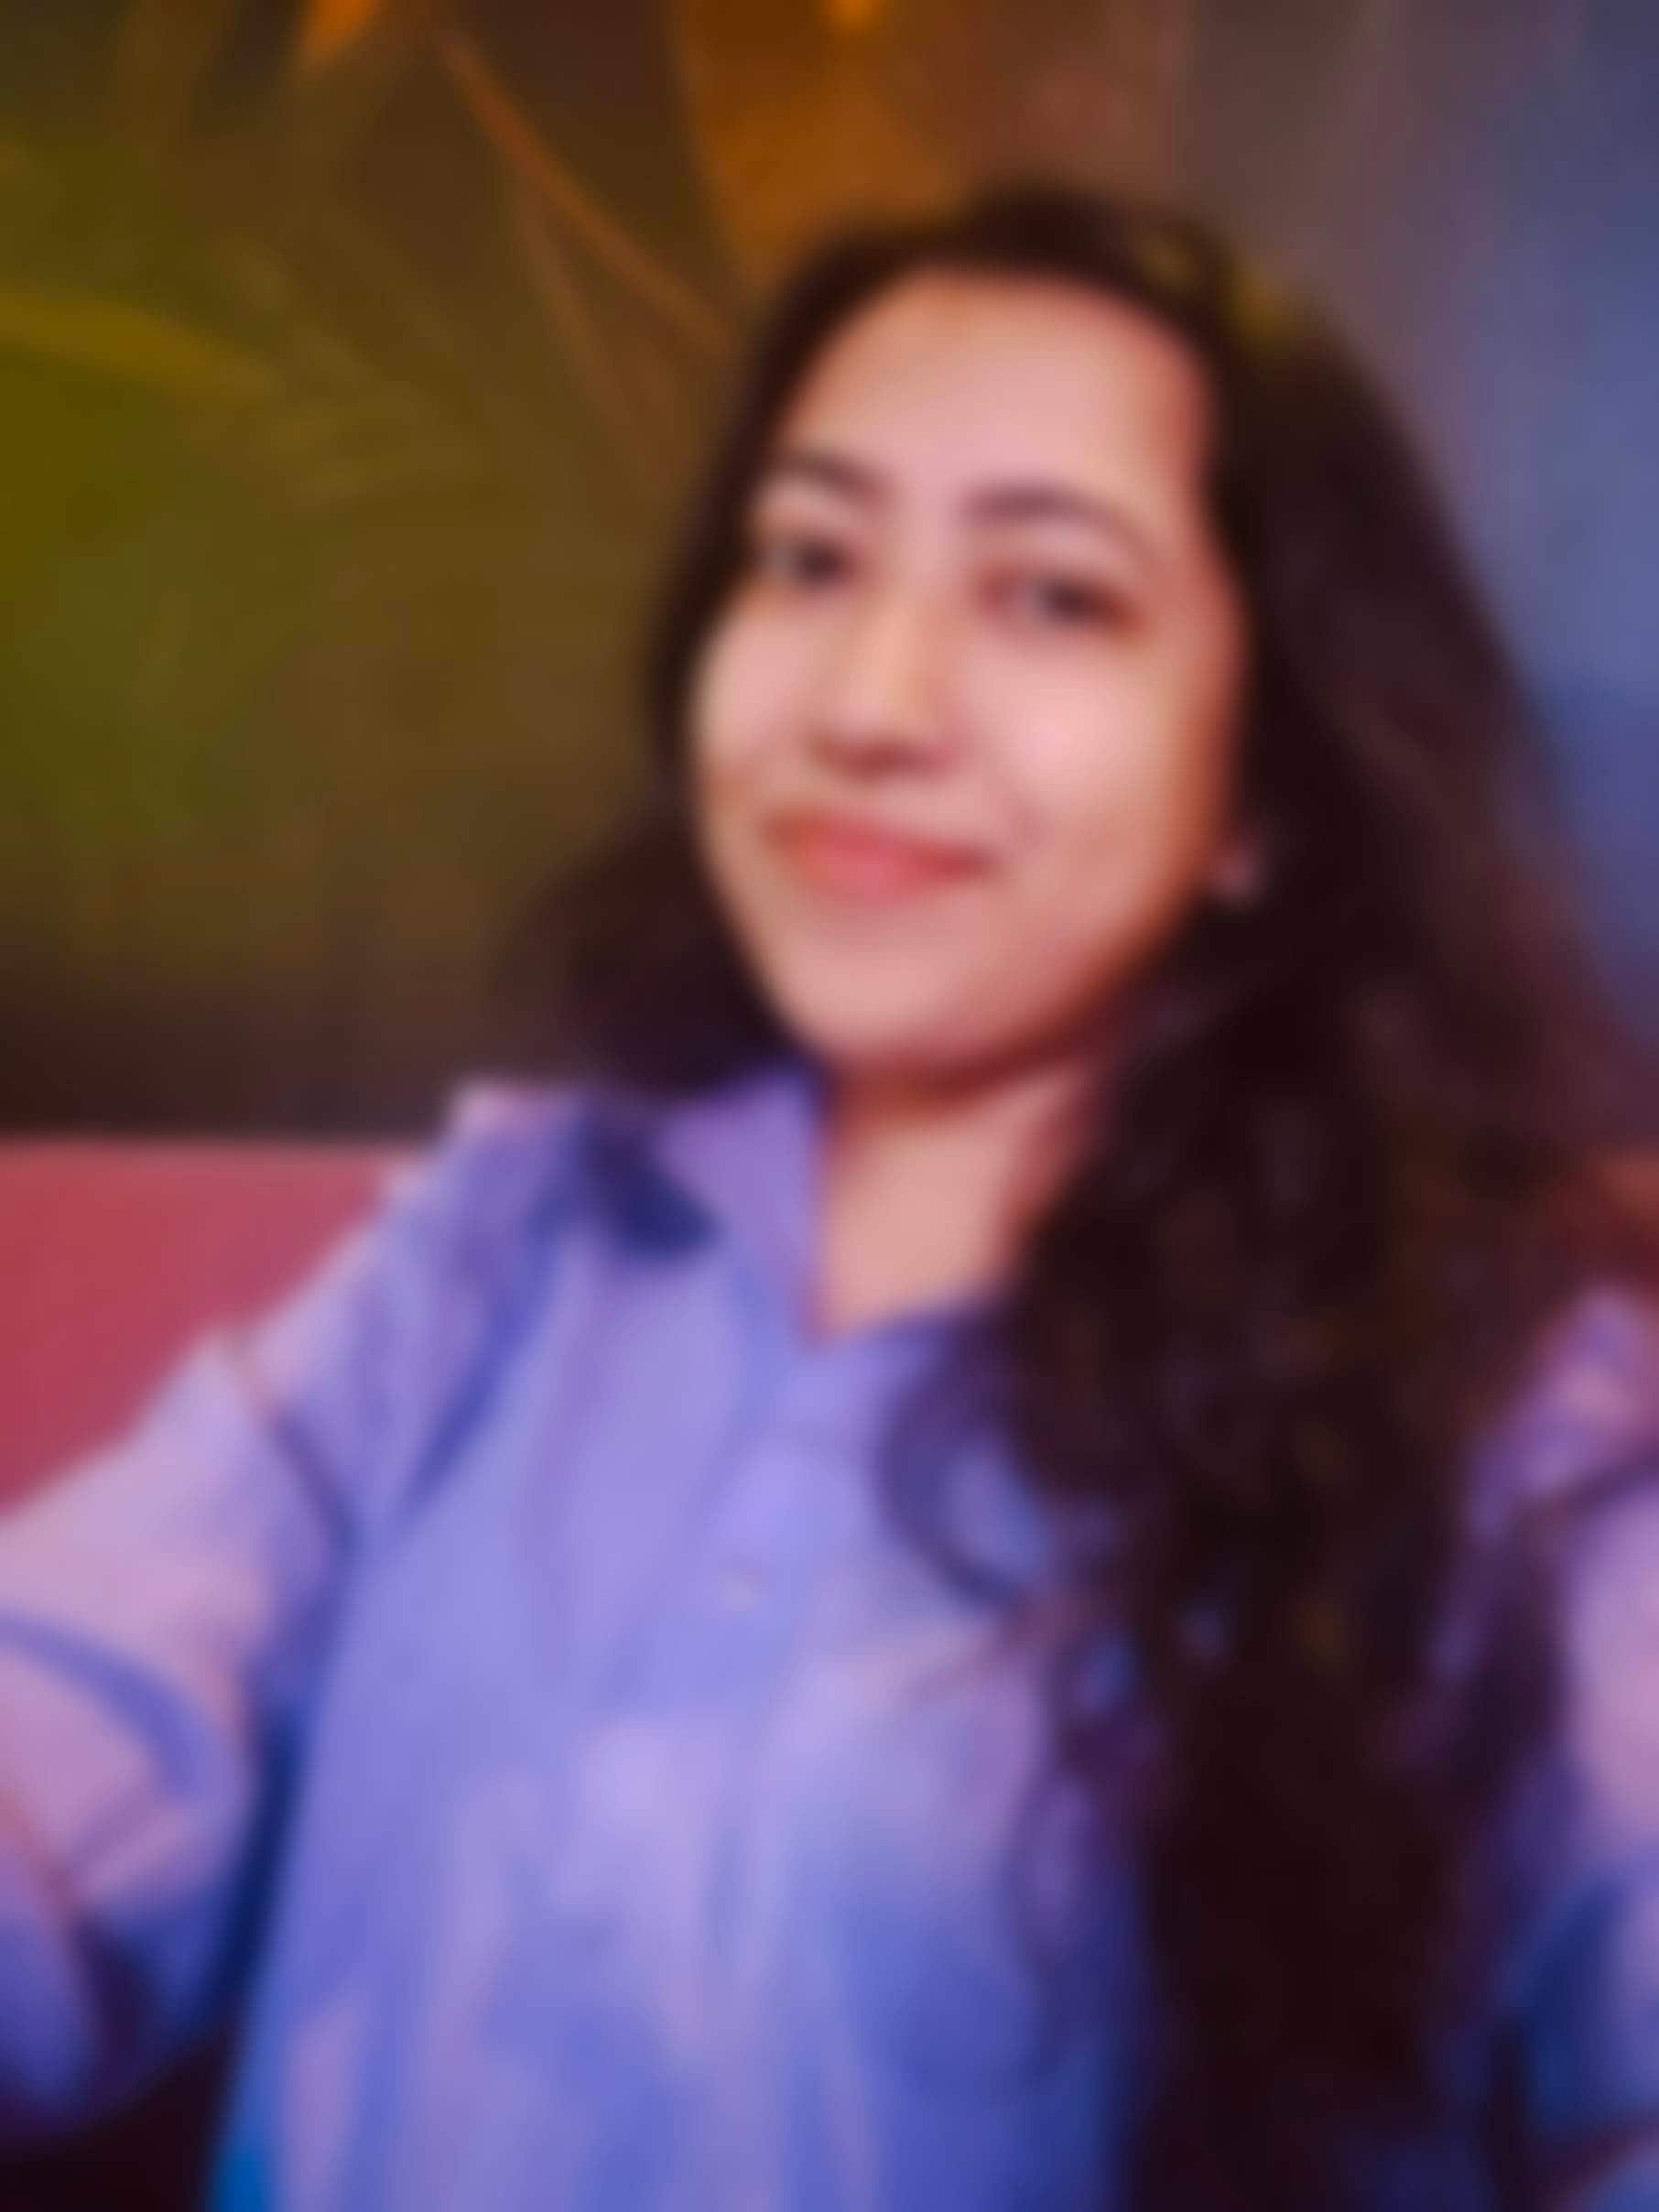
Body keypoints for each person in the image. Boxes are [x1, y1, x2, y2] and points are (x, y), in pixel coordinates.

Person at [3, 185, 1658, 2212]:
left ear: (1265, 799)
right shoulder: (505, 1243)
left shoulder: (1511, 1420)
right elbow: (63, 1738)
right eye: (807, 557)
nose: (866, 706)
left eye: (1053, 596)